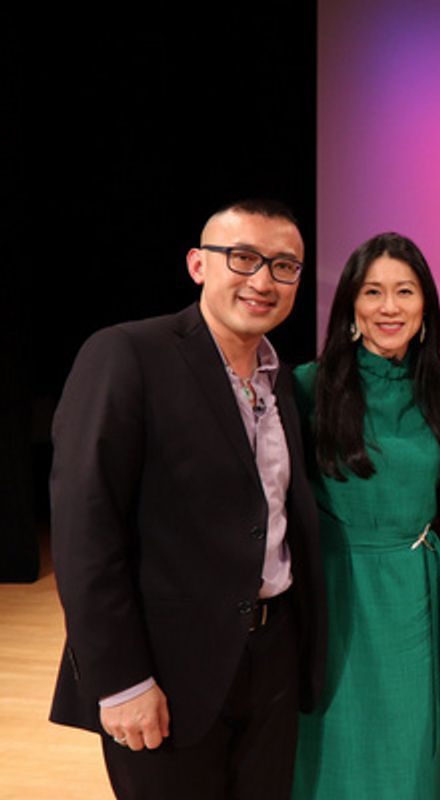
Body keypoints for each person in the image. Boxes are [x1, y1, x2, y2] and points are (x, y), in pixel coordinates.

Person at [49, 199, 326, 799]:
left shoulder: (281, 381)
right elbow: (84, 530)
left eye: (284, 266)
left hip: (272, 656)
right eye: (244, 258)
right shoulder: (127, 354)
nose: (263, 281)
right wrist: (121, 681)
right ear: (199, 264)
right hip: (166, 671)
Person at [290, 232, 440, 798]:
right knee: (336, 738)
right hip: (336, 590)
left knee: (409, 749)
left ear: (425, 305)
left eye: (405, 292)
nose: (390, 307)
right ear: (352, 307)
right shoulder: (308, 387)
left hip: (412, 589)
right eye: (374, 292)